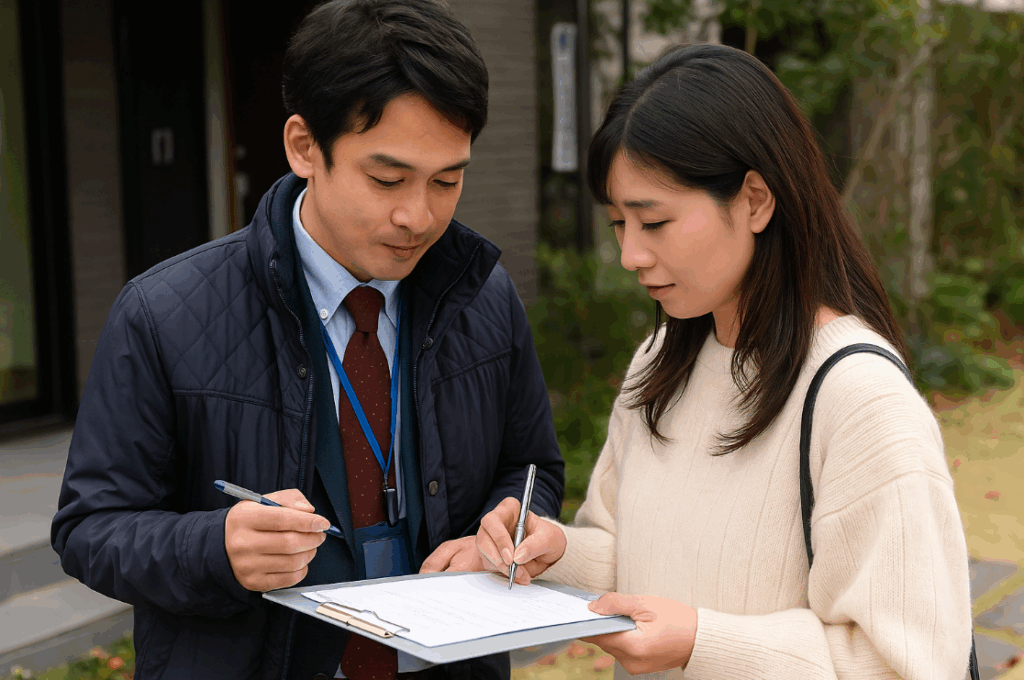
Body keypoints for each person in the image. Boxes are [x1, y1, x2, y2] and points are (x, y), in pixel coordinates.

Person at [50, 1, 564, 678]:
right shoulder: (162, 312)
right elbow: (90, 528)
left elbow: (531, 469)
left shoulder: (484, 295)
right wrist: (216, 547)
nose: (418, 216)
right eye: (386, 179)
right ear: (302, 147)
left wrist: (508, 527)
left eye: (448, 180)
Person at [476, 44, 973, 679]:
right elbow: (637, 556)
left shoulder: (861, 399)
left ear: (756, 201)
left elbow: (910, 663)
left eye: (653, 222)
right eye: (617, 225)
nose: (630, 254)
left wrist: (700, 641)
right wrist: (554, 550)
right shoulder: (662, 360)